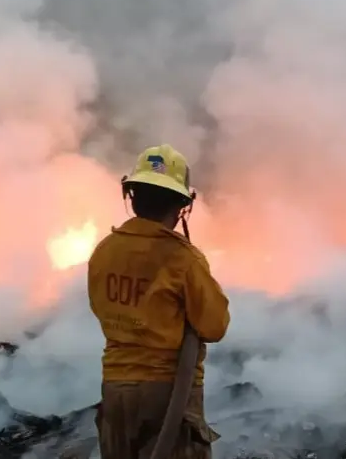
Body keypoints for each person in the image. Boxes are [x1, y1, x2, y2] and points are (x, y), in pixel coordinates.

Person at [87, 144, 231, 459]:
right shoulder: (183, 258)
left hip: (115, 393)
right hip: (168, 395)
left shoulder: (104, 251)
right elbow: (215, 326)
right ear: (181, 206)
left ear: (132, 197)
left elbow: (100, 307)